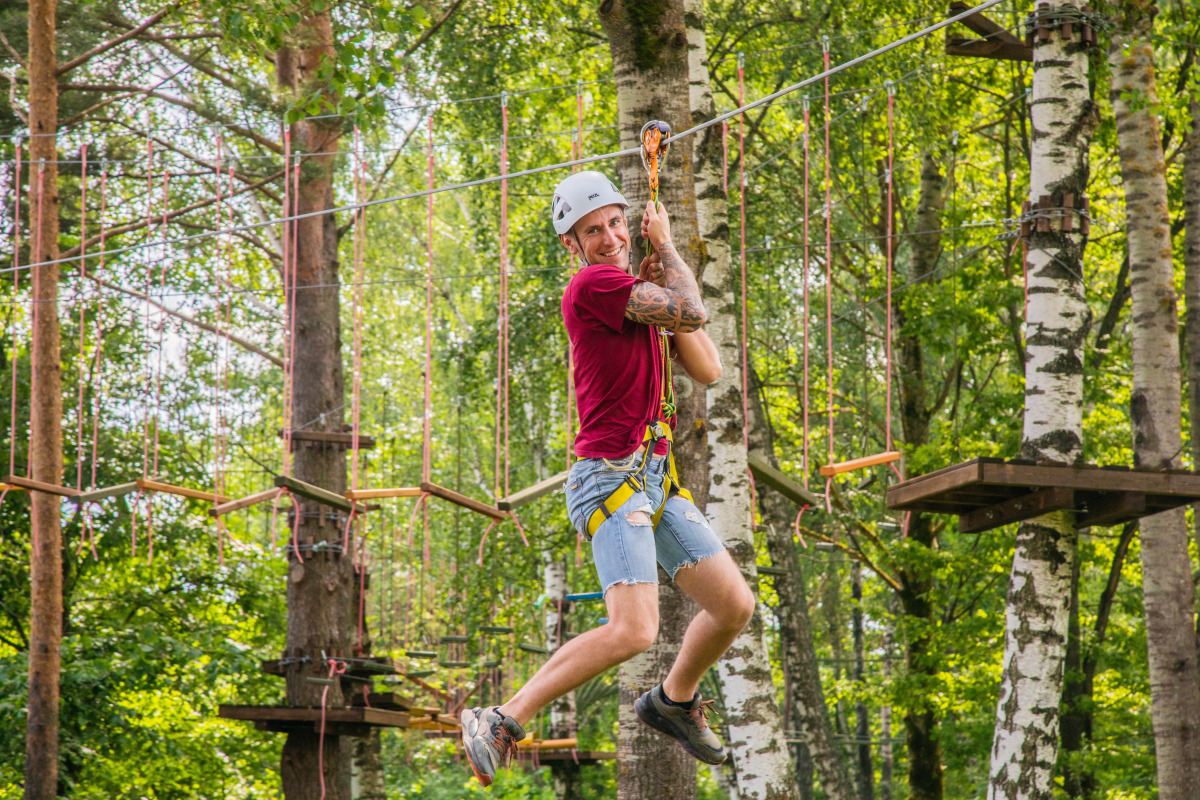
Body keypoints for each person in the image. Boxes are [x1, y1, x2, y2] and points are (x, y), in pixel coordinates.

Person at [461, 171, 756, 787]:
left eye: (616, 223)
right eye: (591, 231)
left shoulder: (639, 298)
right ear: (573, 245)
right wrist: (668, 249)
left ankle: (673, 700)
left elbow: (708, 366)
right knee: (634, 629)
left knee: (733, 606)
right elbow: (694, 307)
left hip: (655, 478)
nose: (608, 237)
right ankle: (501, 717)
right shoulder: (594, 286)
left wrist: (660, 281)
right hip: (608, 475)